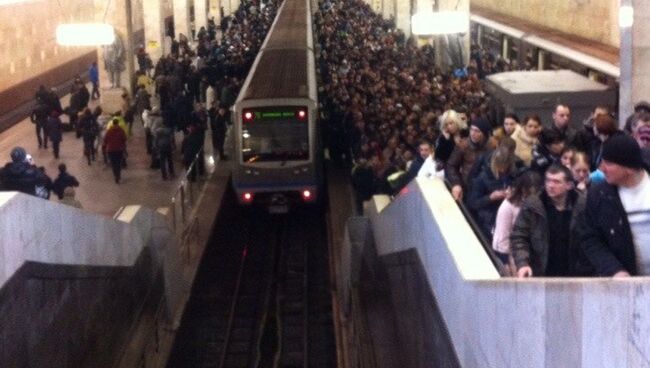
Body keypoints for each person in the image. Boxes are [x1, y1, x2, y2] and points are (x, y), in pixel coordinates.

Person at [580, 135, 650, 277]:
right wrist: (614, 270)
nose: (602, 168)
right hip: (625, 284)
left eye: (609, 164)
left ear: (629, 168)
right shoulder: (598, 194)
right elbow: (591, 239)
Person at [511, 164, 590, 277]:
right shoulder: (534, 205)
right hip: (542, 272)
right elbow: (519, 236)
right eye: (548, 180)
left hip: (577, 273)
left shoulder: (583, 205)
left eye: (556, 182)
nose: (550, 185)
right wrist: (522, 263)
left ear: (568, 185)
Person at [492, 170, 542, 274]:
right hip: (513, 256)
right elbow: (502, 237)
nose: (533, 196)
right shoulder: (508, 206)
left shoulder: (538, 204)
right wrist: (505, 262)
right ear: (523, 189)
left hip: (533, 255)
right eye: (529, 192)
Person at [468, 145, 518, 241]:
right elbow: (472, 203)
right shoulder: (481, 178)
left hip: (507, 214)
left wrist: (512, 192)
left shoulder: (511, 173)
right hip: (488, 219)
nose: (502, 170)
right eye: (500, 167)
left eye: (505, 167)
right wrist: (490, 197)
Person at [446, 117, 494, 201]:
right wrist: (456, 183)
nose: (472, 133)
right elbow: (451, 165)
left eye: (477, 131)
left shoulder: (492, 146)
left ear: (484, 133)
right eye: (471, 130)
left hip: (485, 188)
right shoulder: (463, 145)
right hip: (467, 186)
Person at [104, 119, 128, 184]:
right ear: (118, 123)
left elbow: (105, 140)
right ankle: (118, 175)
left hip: (111, 150)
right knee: (118, 163)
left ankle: (115, 175)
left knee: (113, 164)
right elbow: (125, 139)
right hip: (119, 149)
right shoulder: (121, 130)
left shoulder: (109, 131)